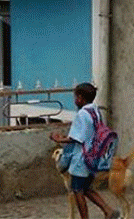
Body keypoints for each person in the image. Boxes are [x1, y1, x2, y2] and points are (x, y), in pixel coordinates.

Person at [50, 83, 120, 219]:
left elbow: (75, 138)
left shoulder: (82, 114)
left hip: (81, 159)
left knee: (77, 190)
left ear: (80, 98)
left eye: (75, 97)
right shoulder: (95, 111)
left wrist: (57, 138)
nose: (75, 100)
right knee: (87, 188)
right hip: (93, 156)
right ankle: (108, 211)